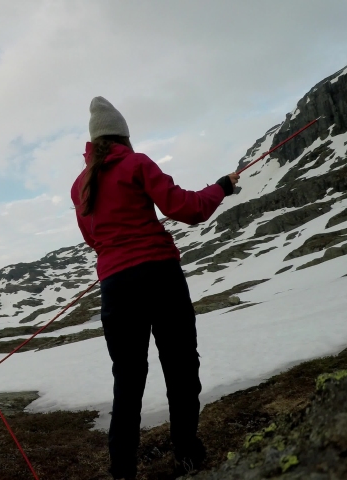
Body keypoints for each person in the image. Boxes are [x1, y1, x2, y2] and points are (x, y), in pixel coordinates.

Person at [71, 96, 239, 479]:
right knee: (180, 367)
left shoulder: (80, 186)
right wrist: (222, 188)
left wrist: (117, 257)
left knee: (128, 380)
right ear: (123, 137)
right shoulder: (137, 163)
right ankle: (187, 456)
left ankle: (123, 472)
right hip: (160, 276)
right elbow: (188, 209)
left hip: (116, 286)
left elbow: (92, 238)